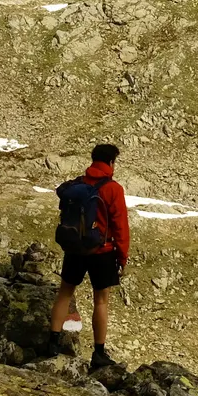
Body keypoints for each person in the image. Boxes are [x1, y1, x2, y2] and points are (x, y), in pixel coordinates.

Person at [50, 143, 129, 370]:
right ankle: (99, 354)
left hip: (75, 248)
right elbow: (120, 226)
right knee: (101, 300)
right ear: (112, 162)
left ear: (93, 159)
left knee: (65, 293)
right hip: (102, 252)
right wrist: (122, 258)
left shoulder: (79, 183)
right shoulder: (113, 189)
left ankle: (52, 343)